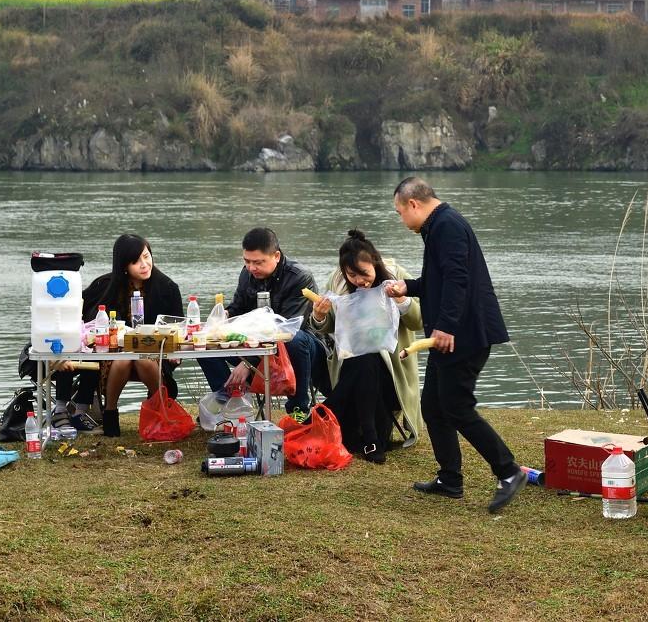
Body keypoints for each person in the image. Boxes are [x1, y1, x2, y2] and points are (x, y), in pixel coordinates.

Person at [385, 176, 526, 513]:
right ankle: (450, 479)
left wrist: (446, 326)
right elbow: (440, 279)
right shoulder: (438, 226)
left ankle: (508, 471)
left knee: (456, 406)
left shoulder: (446, 226)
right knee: (433, 405)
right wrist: (409, 286)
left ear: (413, 204)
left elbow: (458, 280)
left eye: (399, 212)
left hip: (464, 335)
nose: (401, 219)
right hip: (448, 335)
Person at [309, 229, 423, 463]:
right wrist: (319, 316)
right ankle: (371, 439)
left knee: (368, 358)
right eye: (352, 275)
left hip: (392, 371)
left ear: (375, 263)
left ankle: (330, 407)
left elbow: (418, 321)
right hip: (352, 368)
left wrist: (402, 300)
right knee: (363, 359)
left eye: (364, 273)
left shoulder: (397, 276)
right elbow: (328, 326)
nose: (359, 281)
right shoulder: (336, 281)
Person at [197, 227, 329, 416]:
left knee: (294, 340)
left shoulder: (300, 277)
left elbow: (287, 328)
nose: (251, 268)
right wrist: (224, 316)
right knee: (204, 344)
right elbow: (238, 308)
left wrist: (249, 362)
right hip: (255, 344)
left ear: (276, 255)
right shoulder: (247, 274)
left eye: (258, 262)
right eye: (247, 261)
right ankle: (229, 399)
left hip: (300, 347)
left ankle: (298, 410)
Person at [80, 233, 183, 437]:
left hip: (156, 352)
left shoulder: (167, 288)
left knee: (141, 359)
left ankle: (159, 410)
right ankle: (110, 412)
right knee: (125, 358)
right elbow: (83, 314)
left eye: (146, 256)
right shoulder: (107, 286)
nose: (144, 264)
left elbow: (178, 328)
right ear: (123, 265)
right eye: (136, 261)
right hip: (117, 352)